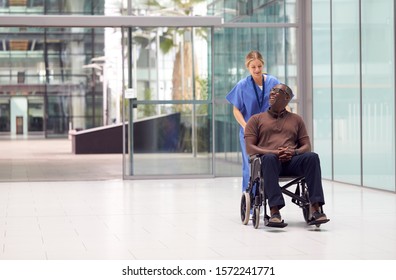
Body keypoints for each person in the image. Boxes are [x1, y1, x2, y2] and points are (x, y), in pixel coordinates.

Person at [244, 83, 329, 225]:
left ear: (287, 97)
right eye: (271, 91)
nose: (272, 93)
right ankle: (274, 211)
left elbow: (307, 146)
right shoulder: (256, 119)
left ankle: (315, 208)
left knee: (312, 157)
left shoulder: (296, 120)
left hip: (292, 161)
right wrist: (274, 152)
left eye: (276, 91)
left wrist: (294, 151)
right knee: (269, 159)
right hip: (269, 163)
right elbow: (250, 148)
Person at [226, 51, 280, 192]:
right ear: (247, 68)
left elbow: (282, 104)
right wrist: (246, 127)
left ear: (263, 65)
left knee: (269, 164)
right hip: (249, 133)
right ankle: (251, 202)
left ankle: (270, 200)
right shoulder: (242, 85)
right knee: (251, 166)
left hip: (270, 132)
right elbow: (236, 110)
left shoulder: (273, 82)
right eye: (253, 67)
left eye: (259, 66)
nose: (257, 70)